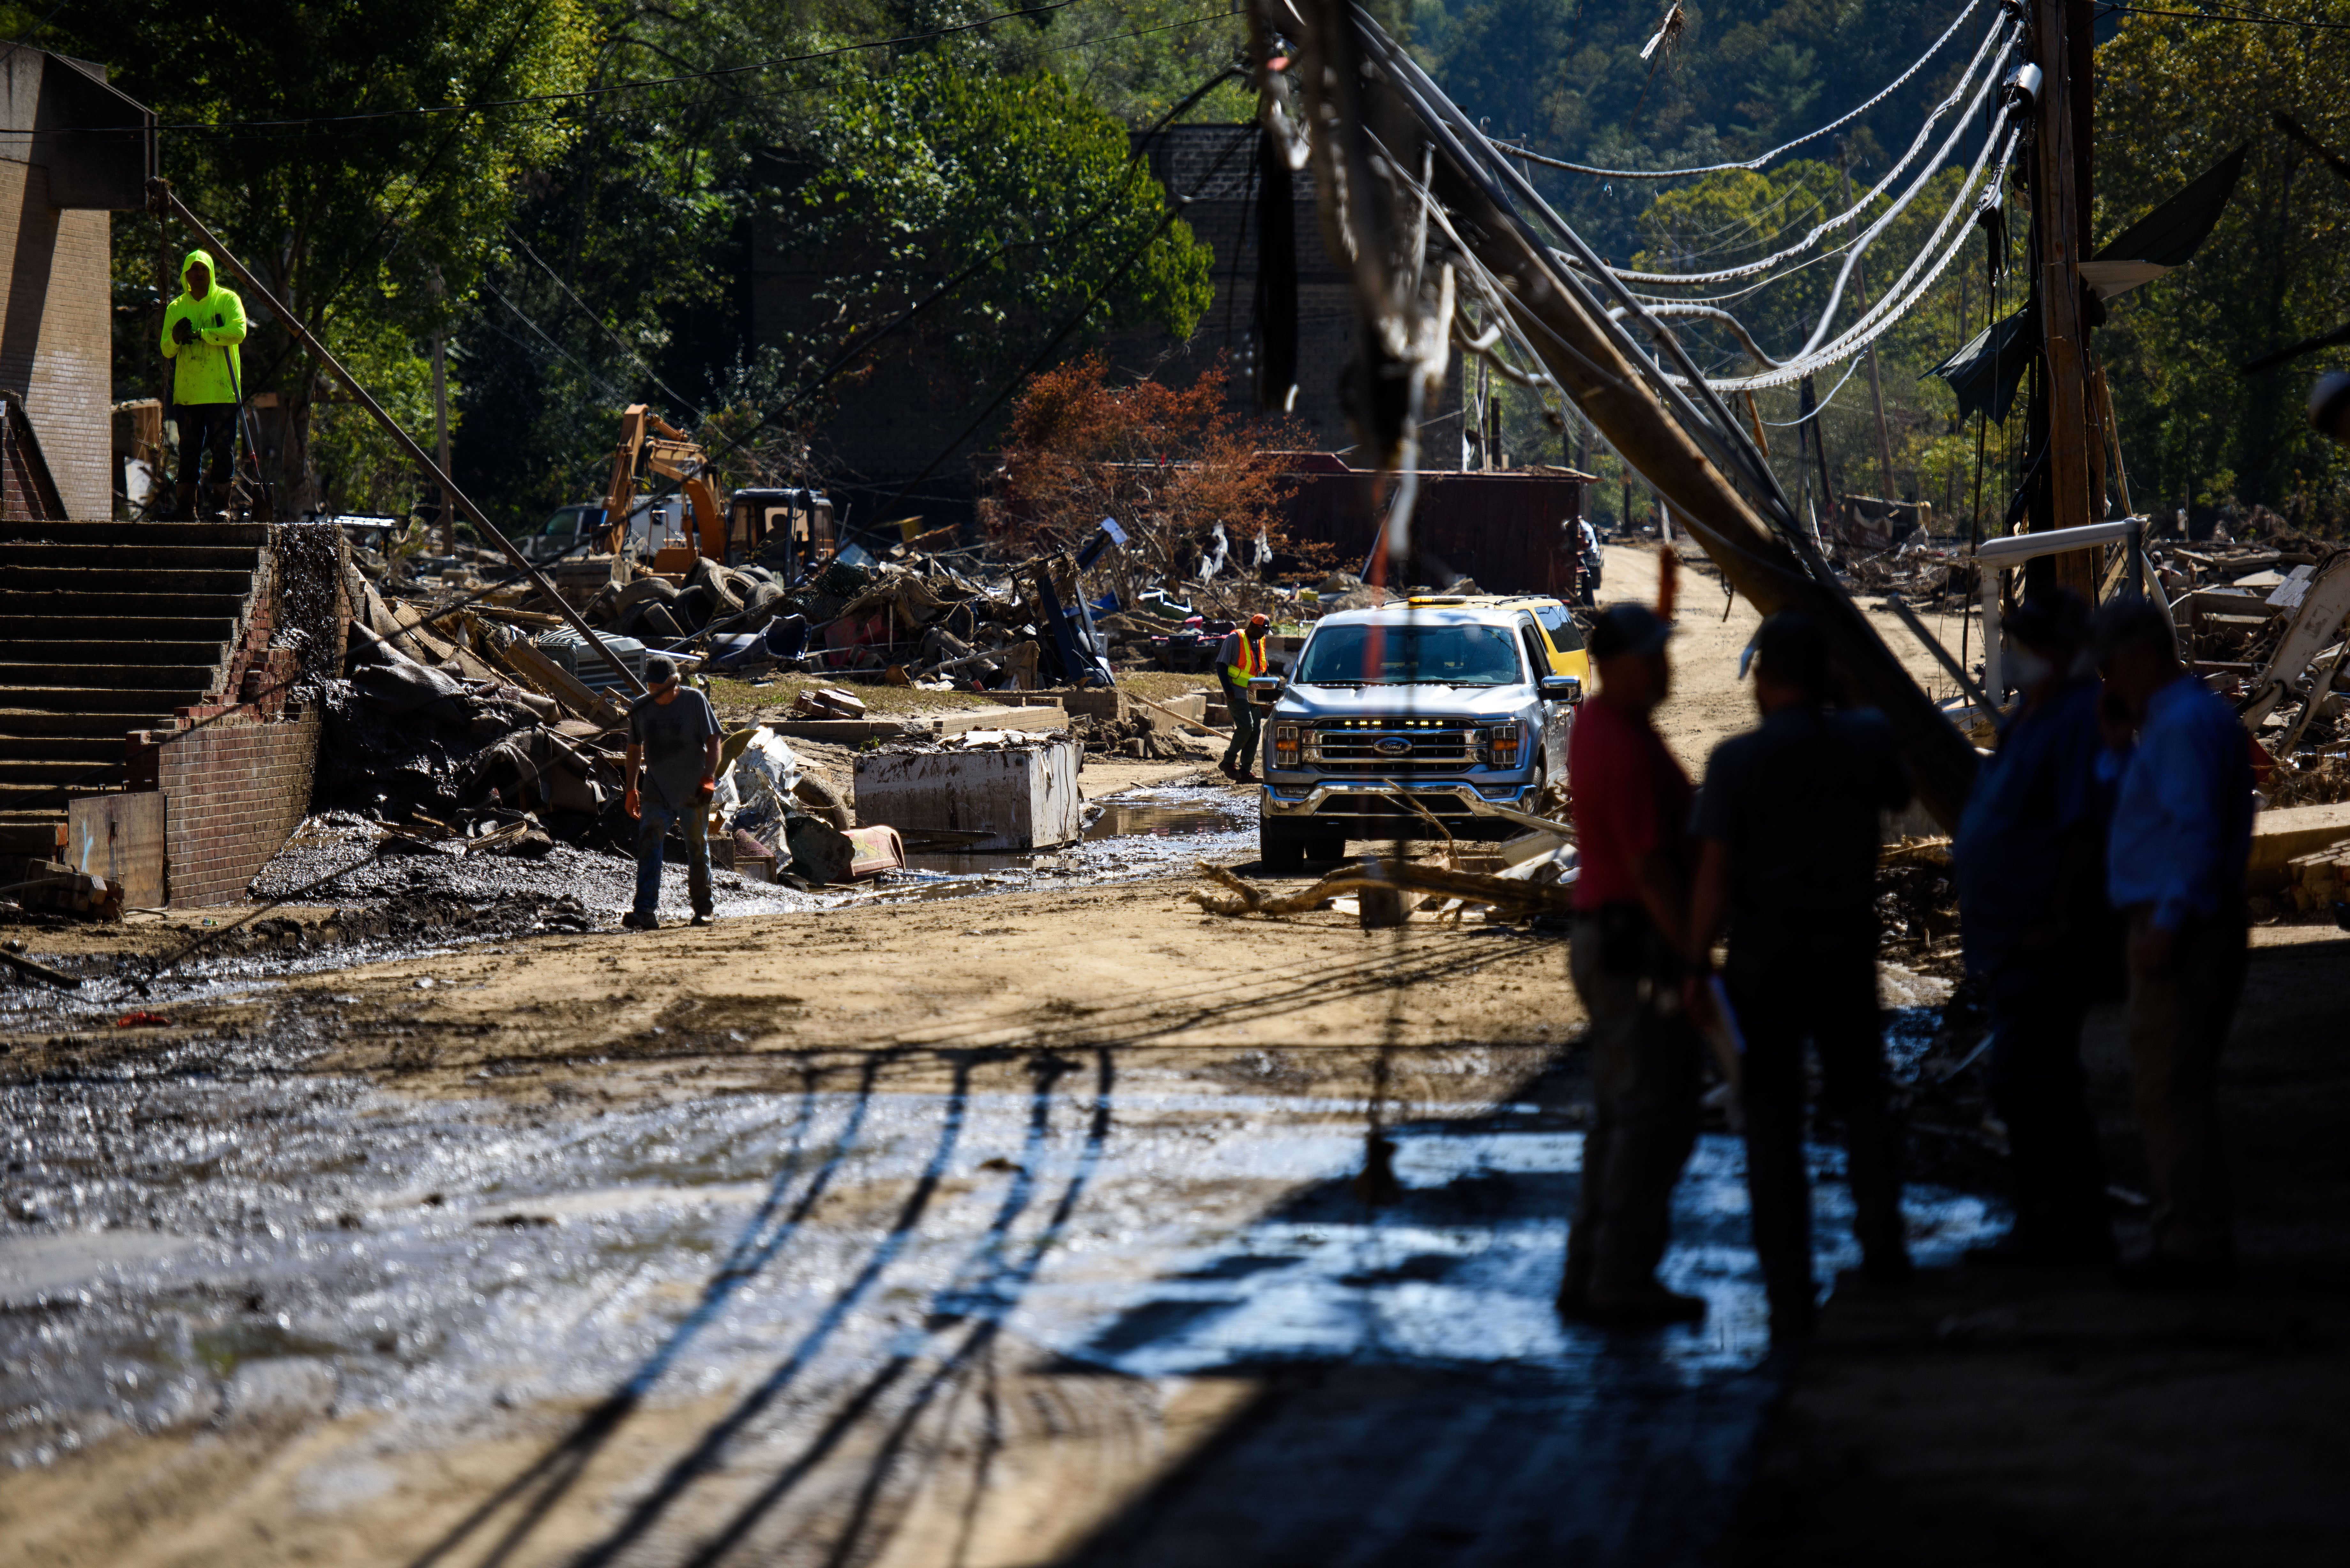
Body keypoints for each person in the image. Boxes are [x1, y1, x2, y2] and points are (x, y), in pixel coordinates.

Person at [1686, 613, 1914, 1342]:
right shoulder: (1867, 738)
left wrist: (1693, 964)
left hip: (1766, 961)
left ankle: (1787, 1283)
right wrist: (1849, 702)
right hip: (1845, 950)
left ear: (1762, 678)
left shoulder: (1735, 762)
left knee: (1772, 1121)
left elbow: (1714, 880)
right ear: (1824, 676)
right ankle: (1883, 1250)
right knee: (1863, 1103)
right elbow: (1900, 791)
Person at [1953, 588, 2121, 1267]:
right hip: (2010, 937)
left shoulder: (2080, 719)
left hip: (2046, 938)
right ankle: (2050, 1224)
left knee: (2034, 1080)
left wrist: (2054, 917)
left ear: (2068, 653)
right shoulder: (2030, 716)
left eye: (2032, 645)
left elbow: (2083, 832)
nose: (2017, 656)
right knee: (2025, 1079)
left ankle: (2065, 1230)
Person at [2092, 594, 2255, 1290]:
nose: (2106, 678)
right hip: (2181, 916)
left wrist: (2164, 922)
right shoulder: (2171, 721)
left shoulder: (2184, 725)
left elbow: (2195, 834)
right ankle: (2187, 1230)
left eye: (2111, 664)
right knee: (2170, 1086)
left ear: (2140, 656)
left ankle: (2191, 1244)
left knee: (2168, 1087)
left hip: (2184, 926)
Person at [1558, 603, 1707, 1327]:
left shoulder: (1601, 724)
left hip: (1613, 937)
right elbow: (1651, 866)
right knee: (1653, 1114)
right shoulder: (1621, 743)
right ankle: (1618, 1274)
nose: (1663, 668)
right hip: (1633, 941)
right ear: (1614, 667)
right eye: (1650, 658)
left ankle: (1590, 1268)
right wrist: (1693, 957)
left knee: (1622, 1111)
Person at [624, 655, 723, 931]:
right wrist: (631, 788)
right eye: (651, 687)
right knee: (649, 841)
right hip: (657, 787)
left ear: (674, 682)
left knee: (697, 846)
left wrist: (709, 777)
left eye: (660, 686)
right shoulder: (641, 707)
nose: (654, 691)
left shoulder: (694, 701)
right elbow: (634, 749)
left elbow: (714, 739)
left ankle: (704, 910)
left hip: (693, 788)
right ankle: (644, 911)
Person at [159, 249, 249, 522]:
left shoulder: (226, 300)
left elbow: (238, 331)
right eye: (193, 270)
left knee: (223, 450)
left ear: (211, 273)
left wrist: (203, 334)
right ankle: (187, 509)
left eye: (204, 269)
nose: (199, 274)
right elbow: (166, 350)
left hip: (222, 392)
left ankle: (222, 508)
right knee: (188, 452)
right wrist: (176, 337)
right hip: (188, 395)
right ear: (186, 275)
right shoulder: (177, 308)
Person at [1218, 612, 1272, 783]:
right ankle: (1228, 762)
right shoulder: (1235, 638)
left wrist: (1266, 691)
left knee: (1256, 730)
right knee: (1246, 727)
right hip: (1237, 691)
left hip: (1254, 694)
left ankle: (1246, 771)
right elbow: (1221, 664)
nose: (1264, 635)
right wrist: (1228, 689)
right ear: (1253, 627)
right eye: (1262, 631)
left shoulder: (1261, 641)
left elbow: (1264, 668)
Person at [1568, 515, 1604, 607]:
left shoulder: (1586, 528)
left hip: (1582, 559)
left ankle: (1589, 603)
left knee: (1587, 577)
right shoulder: (1574, 526)